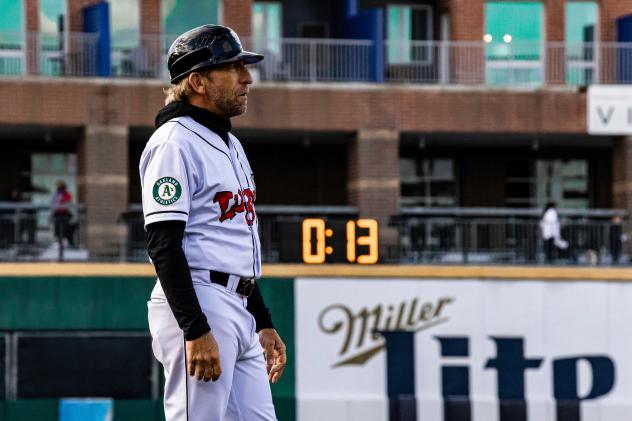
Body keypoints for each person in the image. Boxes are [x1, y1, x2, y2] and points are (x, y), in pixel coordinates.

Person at [141, 25, 286, 421]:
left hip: (237, 302)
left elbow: (234, 239)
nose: (247, 78)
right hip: (200, 300)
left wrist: (262, 320)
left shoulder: (230, 143)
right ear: (197, 81)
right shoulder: (174, 142)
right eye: (233, 68)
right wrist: (194, 328)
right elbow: (163, 243)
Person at [51, 180, 74, 247]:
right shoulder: (57, 194)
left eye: (59, 185)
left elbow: (68, 201)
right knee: (57, 228)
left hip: (64, 213)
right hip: (57, 213)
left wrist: (62, 201)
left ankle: (65, 242)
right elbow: (54, 202)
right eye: (57, 186)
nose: (58, 187)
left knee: (65, 228)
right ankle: (58, 242)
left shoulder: (66, 194)